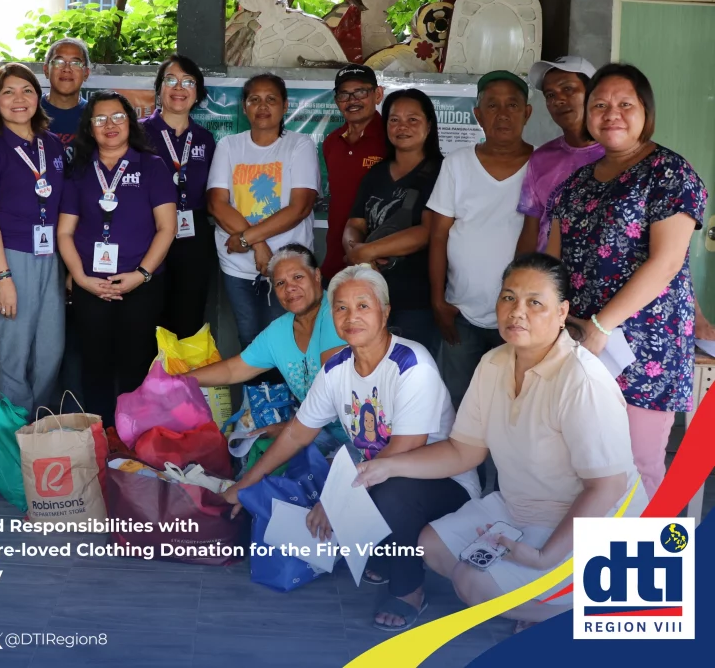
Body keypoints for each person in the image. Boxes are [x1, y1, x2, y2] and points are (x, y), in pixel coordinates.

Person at [352, 254, 645, 628]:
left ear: (561, 312)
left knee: (471, 581)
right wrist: (386, 466)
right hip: (519, 509)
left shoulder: (581, 379)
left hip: (595, 526)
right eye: (508, 298)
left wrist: (544, 556)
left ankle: (577, 615)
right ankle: (534, 598)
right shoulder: (494, 363)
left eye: (534, 302)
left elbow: (607, 487)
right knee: (432, 546)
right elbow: (464, 451)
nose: (517, 311)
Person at [223, 265, 479, 631]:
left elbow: (404, 452)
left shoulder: (411, 364)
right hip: (378, 473)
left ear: (385, 311)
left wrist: (338, 501)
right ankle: (386, 552)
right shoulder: (337, 368)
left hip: (442, 480)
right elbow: (298, 433)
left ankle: (409, 589)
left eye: (363, 306)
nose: (351, 317)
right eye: (341, 308)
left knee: (391, 490)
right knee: (354, 479)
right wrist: (246, 483)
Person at [547, 64, 707, 498]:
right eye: (599, 105)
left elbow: (666, 263)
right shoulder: (574, 185)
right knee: (583, 463)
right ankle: (583, 563)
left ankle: (644, 563)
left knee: (637, 466)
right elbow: (552, 266)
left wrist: (600, 328)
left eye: (624, 104)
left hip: (643, 347)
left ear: (645, 112)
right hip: (578, 343)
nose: (611, 113)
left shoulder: (670, 173)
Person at [57, 91, 176, 425]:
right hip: (90, 285)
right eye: (100, 119)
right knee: (94, 367)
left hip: (142, 285)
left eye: (118, 117)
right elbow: (64, 232)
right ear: (89, 128)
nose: (109, 125)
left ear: (131, 122)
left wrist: (141, 274)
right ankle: (100, 439)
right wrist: (80, 279)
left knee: (136, 366)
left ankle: (132, 441)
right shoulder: (80, 170)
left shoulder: (151, 166)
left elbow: (166, 228)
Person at [428, 70, 533, 408]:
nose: (502, 114)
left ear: (527, 113)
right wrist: (438, 302)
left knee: (514, 406)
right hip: (461, 311)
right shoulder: (457, 164)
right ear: (478, 114)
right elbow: (439, 235)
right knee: (459, 403)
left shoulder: (542, 165)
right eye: (492, 105)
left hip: (522, 316)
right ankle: (463, 464)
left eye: (512, 105)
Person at [0, 63, 66, 414]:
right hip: (8, 255)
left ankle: (38, 430)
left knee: (49, 351)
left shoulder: (52, 146)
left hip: (50, 256)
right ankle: (10, 443)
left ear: (38, 97)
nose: (18, 99)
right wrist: (3, 278)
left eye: (26, 90)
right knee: (12, 351)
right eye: (8, 92)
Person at [207, 73, 320, 364]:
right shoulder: (229, 145)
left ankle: (289, 408)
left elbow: (300, 207)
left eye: (271, 99)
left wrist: (246, 238)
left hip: (286, 267)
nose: (262, 106)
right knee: (249, 340)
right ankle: (257, 407)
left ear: (285, 106)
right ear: (244, 107)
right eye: (254, 100)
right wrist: (259, 246)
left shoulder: (300, 144)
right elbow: (217, 204)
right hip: (237, 265)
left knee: (287, 340)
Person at [192, 244, 347, 445]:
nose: (289, 287)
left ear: (317, 275)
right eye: (280, 283)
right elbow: (233, 369)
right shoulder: (280, 330)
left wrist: (289, 427)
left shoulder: (339, 313)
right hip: (318, 432)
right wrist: (177, 381)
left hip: (361, 434)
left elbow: (333, 390)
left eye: (298, 277)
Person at [343, 88, 443, 355]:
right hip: (371, 297)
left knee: (412, 372)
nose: (402, 127)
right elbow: (355, 223)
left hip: (416, 299)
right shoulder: (376, 173)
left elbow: (427, 232)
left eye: (413, 119)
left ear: (429, 125)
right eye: (394, 119)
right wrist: (355, 249)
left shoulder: (442, 171)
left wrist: (367, 252)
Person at [141, 55, 216, 338]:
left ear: (197, 93)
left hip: (193, 235)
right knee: (148, 316)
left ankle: (181, 382)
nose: (179, 87)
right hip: (148, 232)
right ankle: (149, 382)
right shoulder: (138, 133)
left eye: (188, 82)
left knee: (189, 317)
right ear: (159, 88)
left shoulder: (205, 139)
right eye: (170, 80)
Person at [515, 57, 603, 254]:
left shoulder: (619, 155)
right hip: (550, 279)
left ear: (594, 92)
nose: (558, 100)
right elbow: (531, 230)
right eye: (550, 95)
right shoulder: (541, 159)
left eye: (568, 89)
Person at [320, 64, 387, 283]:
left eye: (360, 92)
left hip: (380, 260)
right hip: (336, 258)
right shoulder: (331, 142)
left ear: (377, 94)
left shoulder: (392, 139)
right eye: (344, 94)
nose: (352, 100)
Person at [42, 37, 90, 160]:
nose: (67, 69)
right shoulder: (29, 112)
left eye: (76, 63)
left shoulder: (95, 115)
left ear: (86, 73)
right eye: (58, 62)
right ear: (46, 70)